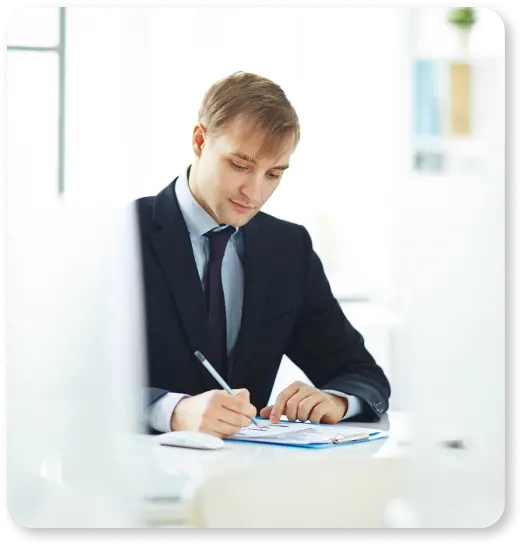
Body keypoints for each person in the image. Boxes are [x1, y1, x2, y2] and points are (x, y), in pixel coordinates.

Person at [136, 71, 390, 437]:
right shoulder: (119, 236)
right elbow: (72, 381)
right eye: (240, 165)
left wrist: (335, 400)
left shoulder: (287, 248)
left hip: (247, 480)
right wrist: (171, 411)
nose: (253, 193)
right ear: (199, 140)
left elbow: (361, 373)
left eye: (273, 174)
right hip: (137, 480)